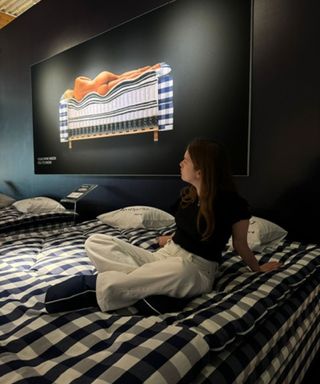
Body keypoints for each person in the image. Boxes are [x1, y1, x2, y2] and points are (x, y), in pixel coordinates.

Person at [45, 138, 281, 314]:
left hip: (196, 269)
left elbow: (240, 244)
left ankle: (95, 288)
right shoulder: (187, 196)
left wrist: (257, 269)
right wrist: (170, 239)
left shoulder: (234, 204)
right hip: (166, 255)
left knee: (179, 271)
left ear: (200, 170)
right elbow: (185, 230)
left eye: (185, 160)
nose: (180, 163)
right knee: (95, 241)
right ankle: (150, 291)